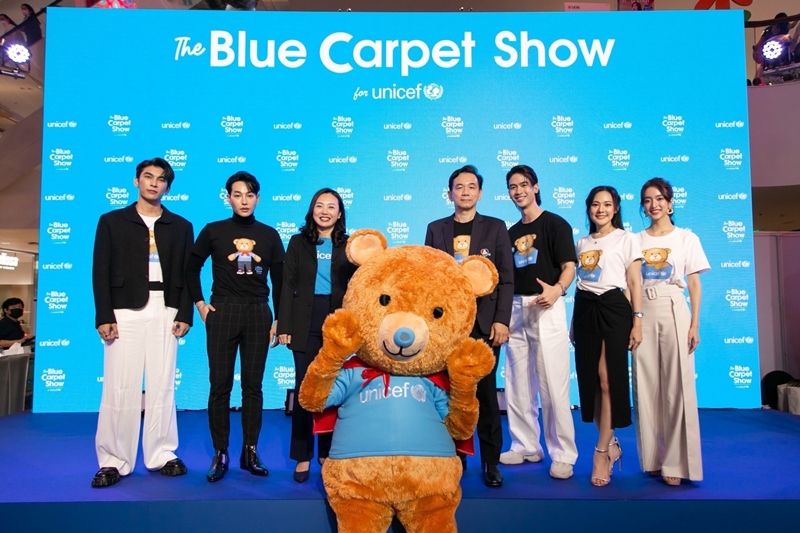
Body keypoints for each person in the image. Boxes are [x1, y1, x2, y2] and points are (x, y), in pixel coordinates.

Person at [91, 157, 194, 488]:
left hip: (166, 308)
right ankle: (113, 460)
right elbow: (100, 271)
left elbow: (187, 274)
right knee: (120, 384)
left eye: (161, 179)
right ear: (137, 181)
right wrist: (104, 315)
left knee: (162, 384)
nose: (154, 183)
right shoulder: (111, 221)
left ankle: (162, 453)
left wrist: (185, 313)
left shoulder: (181, 226)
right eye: (148, 176)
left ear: (167, 187)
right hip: (124, 310)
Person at [186, 171, 284, 483]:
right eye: (237, 194)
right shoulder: (213, 230)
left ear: (258, 198)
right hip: (223, 310)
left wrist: (279, 318)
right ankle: (221, 452)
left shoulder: (269, 235)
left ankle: (250, 451)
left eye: (249, 195)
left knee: (253, 387)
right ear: (228, 197)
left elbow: (281, 280)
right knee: (220, 385)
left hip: (258, 312)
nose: (244, 201)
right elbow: (191, 267)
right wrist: (200, 304)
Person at [425, 164, 513, 488]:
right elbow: (430, 278)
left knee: (486, 395)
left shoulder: (495, 227)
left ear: (480, 192)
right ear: (450, 194)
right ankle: (455, 458)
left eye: (471, 187)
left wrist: (502, 319)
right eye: (459, 187)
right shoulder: (436, 229)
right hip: (449, 327)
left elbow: (506, 278)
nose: (465, 192)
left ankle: (491, 462)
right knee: (451, 396)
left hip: (486, 325)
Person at [500, 165, 578, 480]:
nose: (518, 191)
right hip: (516, 308)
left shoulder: (555, 224)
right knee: (517, 382)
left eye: (523, 185)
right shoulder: (510, 233)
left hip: (546, 305)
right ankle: (525, 445)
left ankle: (563, 454)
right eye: (512, 186)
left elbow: (569, 266)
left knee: (552, 384)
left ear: (535, 187)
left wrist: (558, 290)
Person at [277, 188, 357, 483]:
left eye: (331, 206)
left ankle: (327, 450)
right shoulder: (298, 242)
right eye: (320, 206)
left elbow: (358, 285)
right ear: (312, 210)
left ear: (340, 213)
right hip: (304, 320)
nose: (325, 211)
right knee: (305, 388)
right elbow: (288, 284)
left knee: (332, 389)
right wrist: (284, 326)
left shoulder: (349, 245)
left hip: (336, 321)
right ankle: (302, 454)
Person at [634, 178, 709, 486]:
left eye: (659, 199)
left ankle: (676, 463)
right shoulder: (635, 240)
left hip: (674, 306)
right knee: (645, 386)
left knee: (677, 388)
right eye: (648, 200)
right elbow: (631, 283)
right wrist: (634, 319)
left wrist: (694, 324)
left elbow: (694, 284)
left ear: (670, 202)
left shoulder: (686, 238)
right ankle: (654, 459)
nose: (654, 205)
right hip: (642, 311)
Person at [573, 186, 642, 487]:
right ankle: (611, 443)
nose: (601, 210)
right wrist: (574, 322)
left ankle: (601, 452)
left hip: (614, 309)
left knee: (607, 379)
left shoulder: (627, 239)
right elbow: (580, 284)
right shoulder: (581, 242)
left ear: (616, 209)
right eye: (595, 204)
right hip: (585, 310)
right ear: (589, 208)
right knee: (592, 382)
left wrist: (637, 321)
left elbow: (634, 283)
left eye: (607, 204)